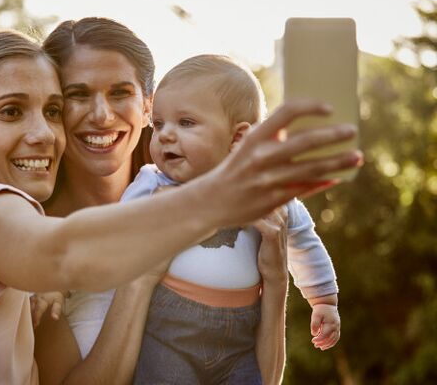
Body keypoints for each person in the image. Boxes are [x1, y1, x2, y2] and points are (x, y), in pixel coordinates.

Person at [0, 28, 360, 384]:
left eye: (51, 110)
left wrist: (274, 282)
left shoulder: (24, 235)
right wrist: (220, 193)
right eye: (12, 112)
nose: (42, 133)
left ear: (147, 105)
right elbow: (59, 256)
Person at [33, 18, 348, 384]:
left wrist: (284, 283)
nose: (102, 115)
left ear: (146, 105)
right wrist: (81, 275)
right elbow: (105, 238)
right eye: (78, 94)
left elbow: (265, 376)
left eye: (120, 92)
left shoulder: (254, 193)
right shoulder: (37, 239)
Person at [126, 55, 341, 384]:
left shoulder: (266, 189)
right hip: (168, 330)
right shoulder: (153, 183)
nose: (166, 135)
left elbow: (302, 238)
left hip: (240, 337)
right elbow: (109, 231)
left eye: (185, 123)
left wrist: (323, 299)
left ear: (238, 138)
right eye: (159, 124)